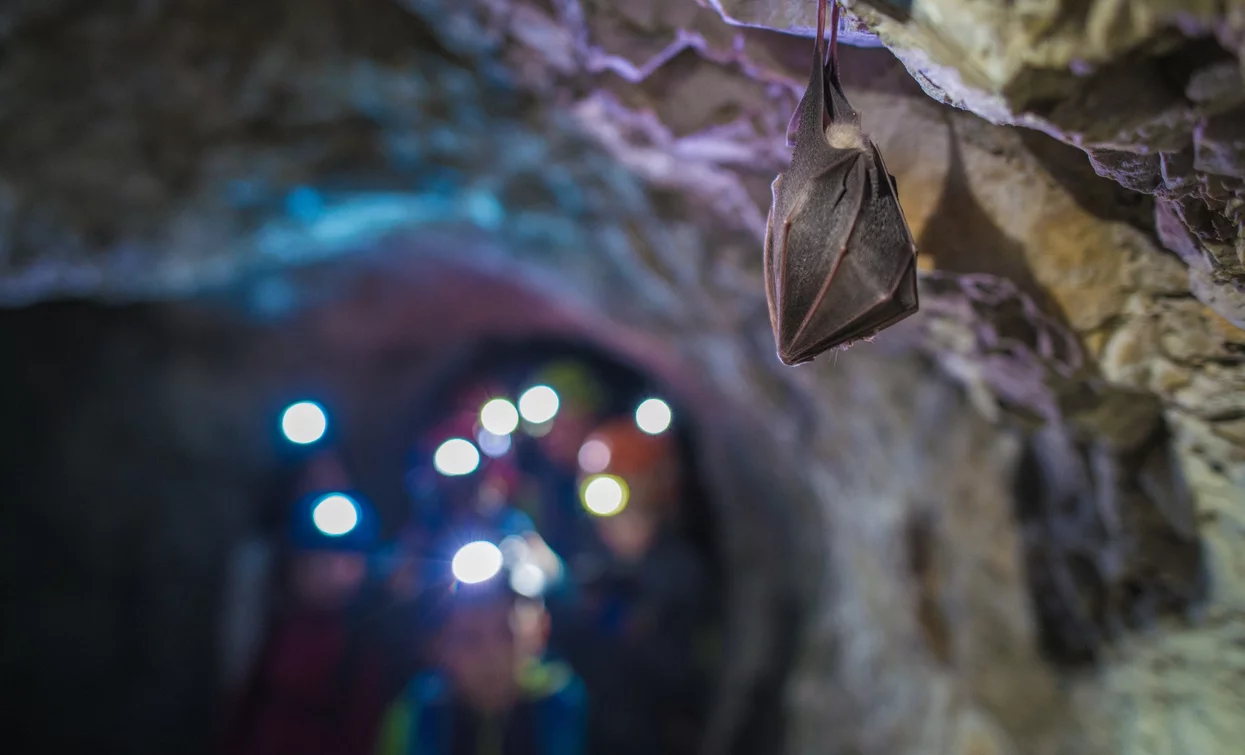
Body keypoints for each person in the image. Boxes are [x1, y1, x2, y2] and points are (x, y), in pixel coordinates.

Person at [549, 416, 715, 755]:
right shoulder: (582, 555)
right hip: (590, 722)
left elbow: (667, 643)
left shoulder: (677, 566)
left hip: (656, 722)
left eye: (624, 479)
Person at [221, 452, 391, 755]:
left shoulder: (368, 643)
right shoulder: (276, 631)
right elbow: (245, 713)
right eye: (315, 560)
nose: (331, 570)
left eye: (345, 558)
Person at [374, 558, 586, 755]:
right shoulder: (417, 714)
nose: (491, 655)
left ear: (541, 633)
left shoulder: (568, 708)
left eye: (507, 635)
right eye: (470, 639)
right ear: (438, 648)